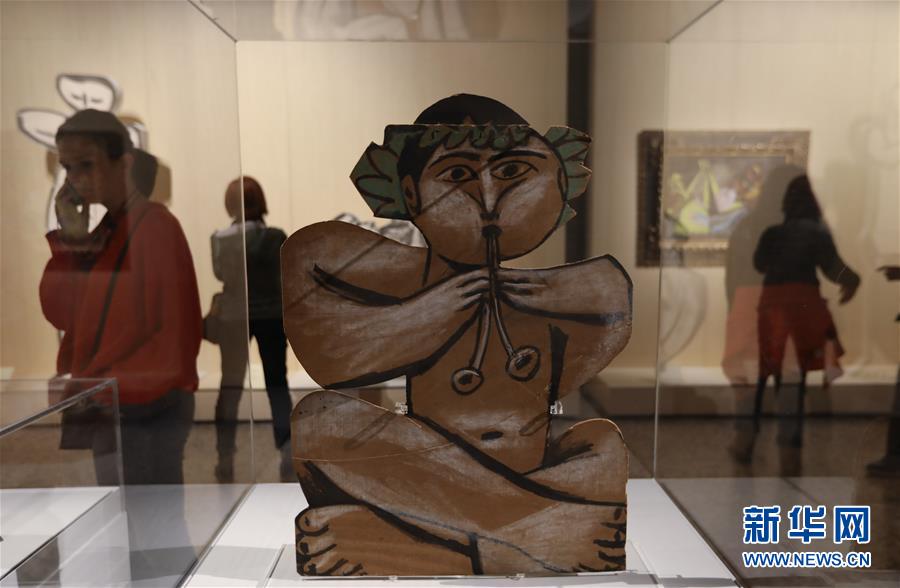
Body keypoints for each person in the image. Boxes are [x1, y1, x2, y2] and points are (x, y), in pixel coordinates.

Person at [282, 95, 632, 575]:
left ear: (558, 183)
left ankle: (419, 545)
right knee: (318, 423)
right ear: (410, 193)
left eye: (513, 173)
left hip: (516, 472)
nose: (488, 200)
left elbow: (608, 297)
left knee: (602, 444)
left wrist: (557, 291)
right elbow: (312, 271)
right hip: (422, 465)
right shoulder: (404, 275)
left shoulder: (569, 292)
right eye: (458, 175)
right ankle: (538, 534)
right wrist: (425, 314)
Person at [39, 109, 202, 485]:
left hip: (143, 407)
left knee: (147, 515)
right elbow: (62, 312)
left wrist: (106, 385)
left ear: (123, 163)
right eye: (67, 168)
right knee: (129, 512)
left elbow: (165, 335)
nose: (75, 179)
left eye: (86, 165)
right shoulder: (110, 230)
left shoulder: (153, 225)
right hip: (119, 402)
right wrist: (71, 242)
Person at [748, 172, 859, 471]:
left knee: (768, 370)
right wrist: (853, 280)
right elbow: (833, 268)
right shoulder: (818, 233)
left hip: (773, 304)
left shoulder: (772, 233)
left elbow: (759, 264)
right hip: (804, 305)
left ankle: (750, 438)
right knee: (797, 374)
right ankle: (791, 444)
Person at [210, 177, 291, 482]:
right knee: (277, 385)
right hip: (271, 315)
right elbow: (283, 273)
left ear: (229, 204)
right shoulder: (275, 237)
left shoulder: (219, 239)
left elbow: (220, 273)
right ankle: (286, 450)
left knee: (229, 388)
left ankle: (224, 457)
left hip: (234, 316)